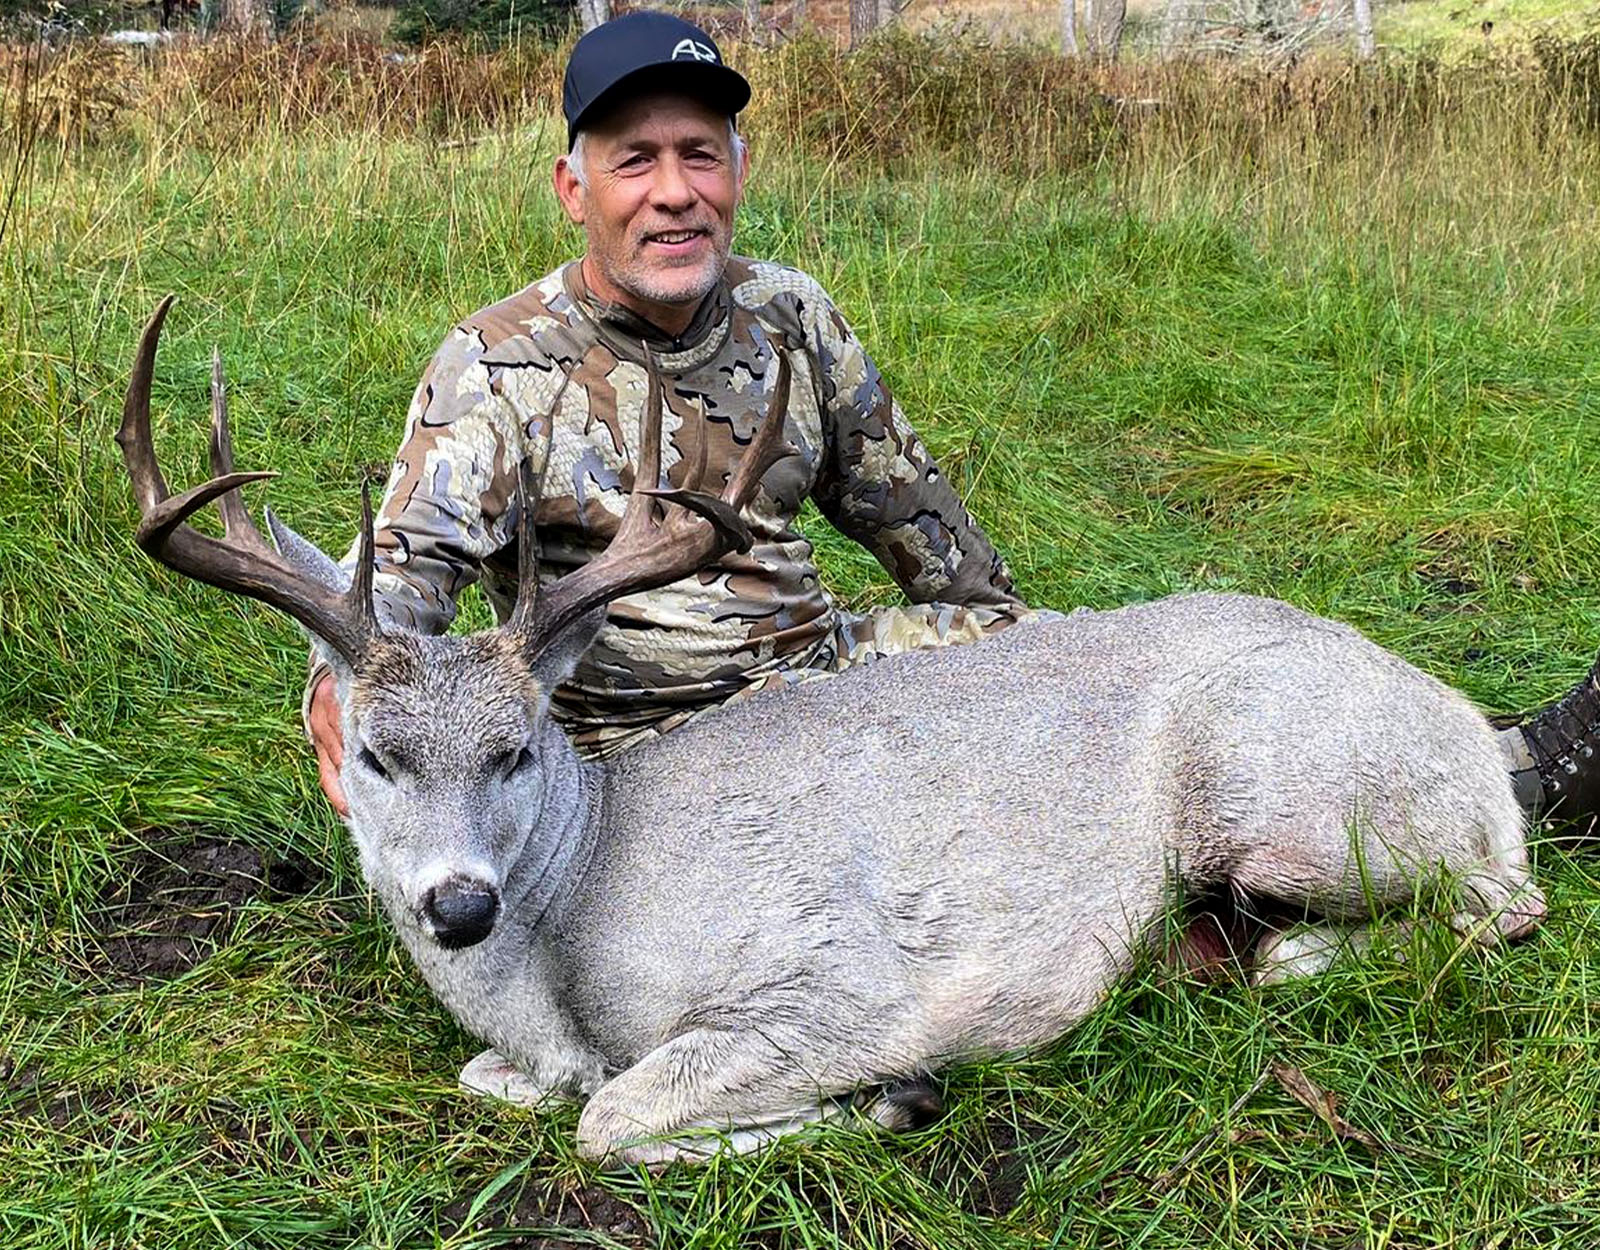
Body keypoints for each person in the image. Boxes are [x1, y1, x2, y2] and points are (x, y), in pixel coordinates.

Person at [305, 11, 1600, 835]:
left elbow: (921, 523)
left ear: (739, 173)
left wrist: (1020, 653)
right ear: (571, 184)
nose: (673, 193)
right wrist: (345, 690)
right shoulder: (496, 363)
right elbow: (402, 601)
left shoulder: (791, 315)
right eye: (634, 160)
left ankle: (1476, 761)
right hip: (643, 759)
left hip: (829, 676)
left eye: (701, 154)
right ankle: (1467, 807)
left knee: (1127, 676)